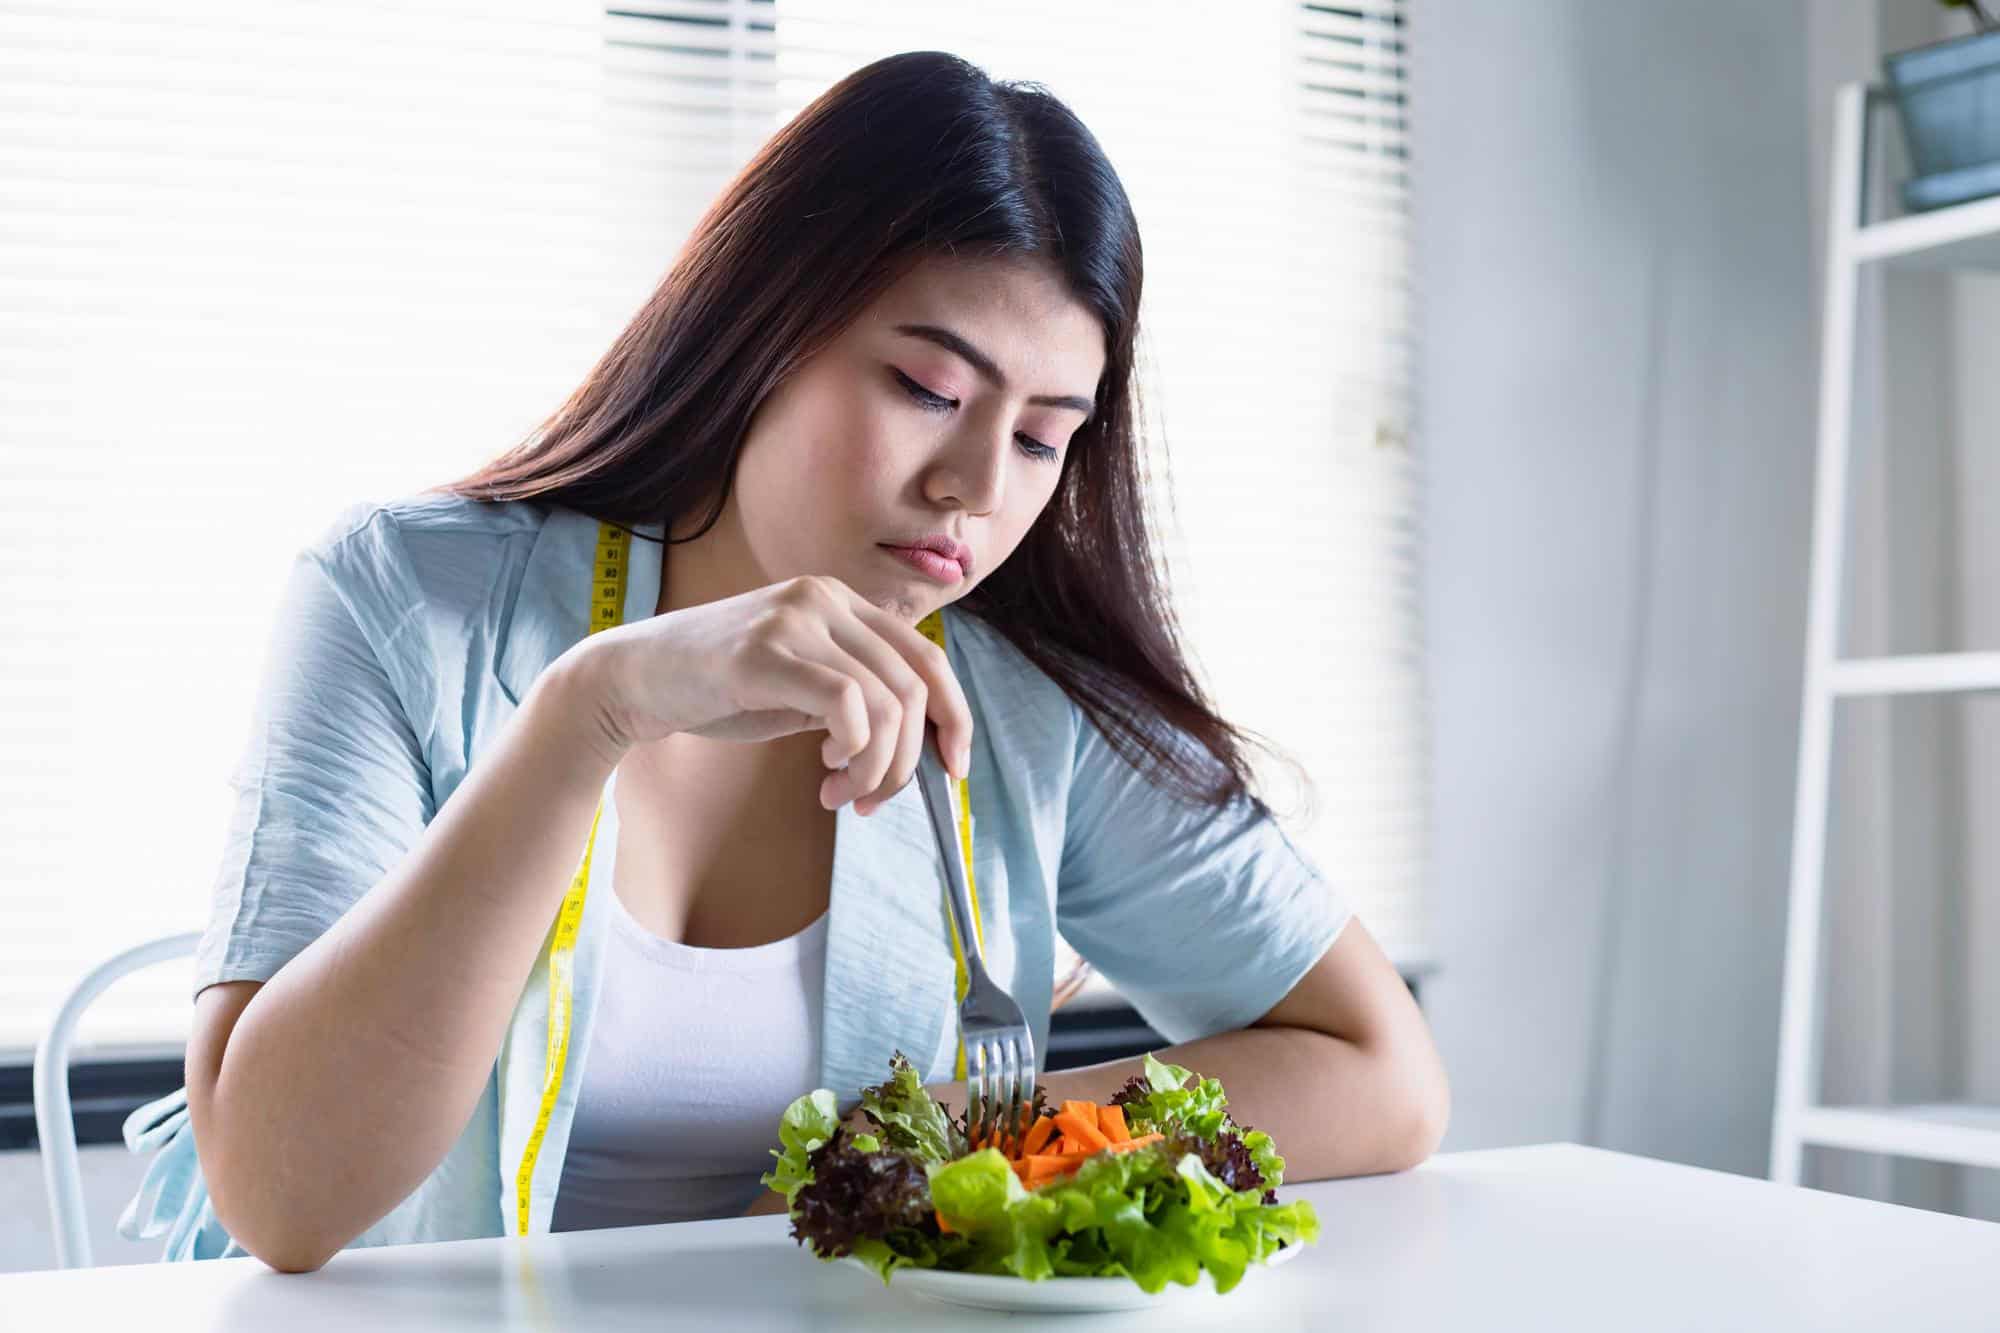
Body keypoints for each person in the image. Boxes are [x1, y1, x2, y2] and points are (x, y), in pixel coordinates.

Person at [120, 50, 1449, 1274]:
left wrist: (944, 1133)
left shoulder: (1020, 706)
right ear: (762, 330)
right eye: (929, 390)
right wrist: (591, 712)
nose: (977, 486)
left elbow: (1383, 1071)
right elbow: (281, 1199)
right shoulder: (404, 595)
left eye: (1042, 437)